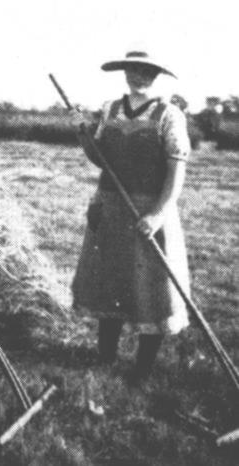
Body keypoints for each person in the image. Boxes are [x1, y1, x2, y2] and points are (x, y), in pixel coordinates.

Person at [71, 50, 191, 381]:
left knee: (149, 285)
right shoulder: (110, 109)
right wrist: (83, 134)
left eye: (147, 71)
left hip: (147, 209)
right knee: (110, 279)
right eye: (133, 70)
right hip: (110, 206)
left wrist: (158, 214)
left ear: (157, 75)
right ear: (124, 73)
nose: (139, 76)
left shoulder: (169, 114)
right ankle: (105, 357)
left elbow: (175, 172)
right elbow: (100, 159)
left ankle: (142, 368)